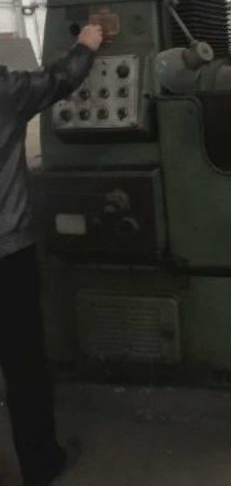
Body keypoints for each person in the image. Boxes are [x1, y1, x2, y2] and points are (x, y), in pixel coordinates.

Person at [0, 24, 103, 486]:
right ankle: (41, 464)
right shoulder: (7, 92)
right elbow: (58, 79)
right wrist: (87, 45)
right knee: (24, 365)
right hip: (8, 254)